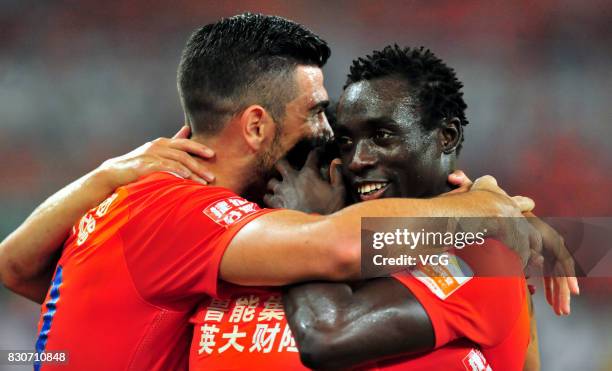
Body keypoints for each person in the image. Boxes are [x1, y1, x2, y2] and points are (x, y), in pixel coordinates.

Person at [0, 14, 572, 371]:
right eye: (318, 115)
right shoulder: (187, 214)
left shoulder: (150, 205)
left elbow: (19, 268)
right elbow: (337, 250)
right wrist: (485, 209)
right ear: (255, 126)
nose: (330, 140)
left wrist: (104, 177)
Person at [187, 46, 540, 371]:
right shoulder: (361, 246)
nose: (357, 160)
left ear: (446, 136)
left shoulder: (481, 254)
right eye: (346, 141)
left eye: (382, 136)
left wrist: (305, 220)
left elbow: (328, 334)